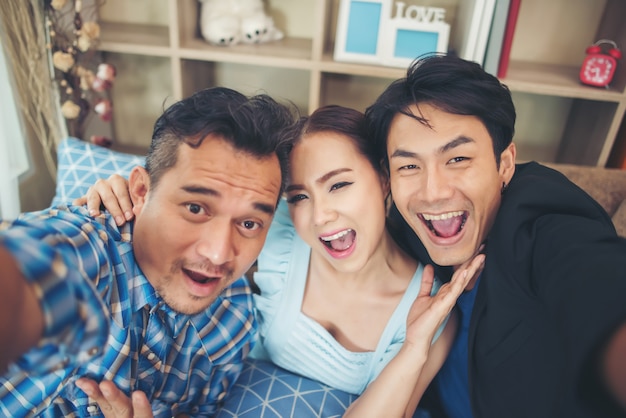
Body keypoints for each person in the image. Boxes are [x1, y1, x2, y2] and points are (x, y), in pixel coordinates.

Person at [76, 105, 485, 417]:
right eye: (300, 196)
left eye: (339, 185)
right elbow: (203, 205)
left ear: (383, 178)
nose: (321, 215)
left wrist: (414, 347)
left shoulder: (427, 314)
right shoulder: (286, 231)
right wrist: (129, 196)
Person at [0, 86, 298, 417]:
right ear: (141, 191)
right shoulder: (85, 257)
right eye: (196, 208)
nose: (218, 254)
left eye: (250, 224)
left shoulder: (233, 317)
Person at [365, 53, 626, 418]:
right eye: (409, 165)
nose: (433, 191)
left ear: (504, 165)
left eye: (457, 159)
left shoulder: (545, 224)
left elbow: (597, 283)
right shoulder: (402, 226)